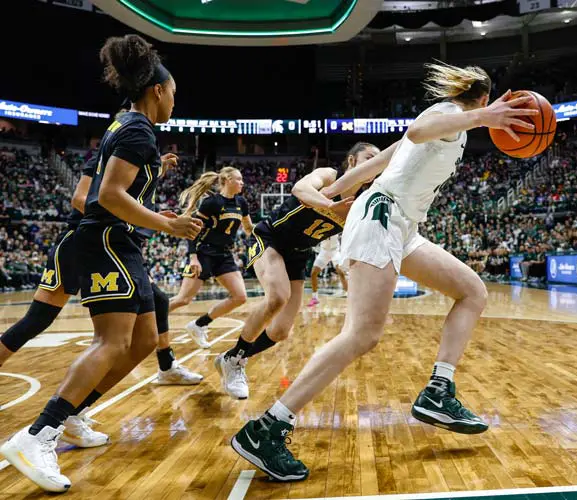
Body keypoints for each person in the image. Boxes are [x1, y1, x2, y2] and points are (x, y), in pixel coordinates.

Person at [228, 62, 538, 482]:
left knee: (472, 291)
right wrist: (485, 117)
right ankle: (267, 428)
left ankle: (438, 390)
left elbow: (383, 160)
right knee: (362, 334)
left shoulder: (454, 125)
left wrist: (334, 192)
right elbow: (414, 134)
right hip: (381, 218)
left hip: (402, 226)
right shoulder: (443, 115)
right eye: (487, 107)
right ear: (483, 100)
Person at [0, 34, 202, 493]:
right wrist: (168, 227)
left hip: (116, 239)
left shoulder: (126, 127)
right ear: (158, 90)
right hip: (107, 241)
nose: (174, 100)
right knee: (111, 343)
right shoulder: (136, 130)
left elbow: (116, 193)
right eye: (173, 93)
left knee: (146, 339)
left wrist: (156, 213)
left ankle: (70, 416)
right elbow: (108, 196)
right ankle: (38, 435)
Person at [214, 142, 379, 400]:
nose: (374, 163)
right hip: (271, 238)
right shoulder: (329, 176)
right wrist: (329, 205)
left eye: (379, 160)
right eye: (369, 157)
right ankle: (235, 362)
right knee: (278, 297)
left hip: (299, 254)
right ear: (352, 161)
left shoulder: (360, 203)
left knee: (280, 331)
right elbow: (299, 188)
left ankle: (230, 356)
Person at [168, 167, 253, 347]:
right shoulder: (211, 203)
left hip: (224, 254)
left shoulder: (241, 202)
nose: (242, 183)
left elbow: (248, 228)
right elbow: (192, 232)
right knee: (183, 299)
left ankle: (198, 325)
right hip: (202, 253)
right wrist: (193, 258)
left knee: (240, 297)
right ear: (228, 180)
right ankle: (147, 319)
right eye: (239, 179)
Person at [307, 234, 348, 307]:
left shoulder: (336, 227)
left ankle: (348, 294)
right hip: (324, 252)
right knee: (313, 273)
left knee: (341, 273)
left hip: (335, 251)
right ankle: (315, 298)